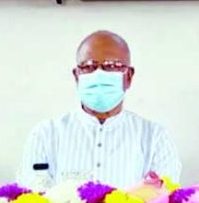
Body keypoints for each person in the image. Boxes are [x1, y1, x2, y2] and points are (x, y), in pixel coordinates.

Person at [19, 30, 181, 189]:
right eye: (89, 66)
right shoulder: (46, 135)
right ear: (77, 76)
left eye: (112, 66)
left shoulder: (155, 138)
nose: (99, 75)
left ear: (128, 77)